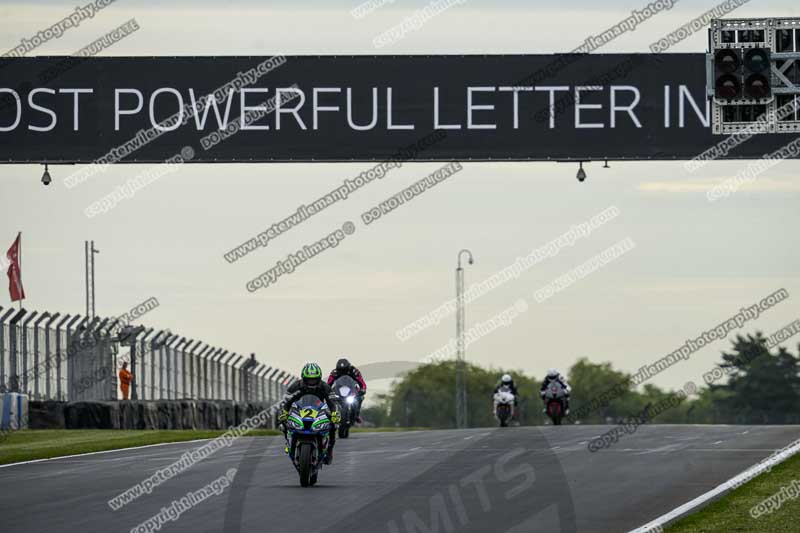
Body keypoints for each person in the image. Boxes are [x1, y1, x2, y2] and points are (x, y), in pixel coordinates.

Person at [279, 363, 341, 464]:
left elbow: (332, 402)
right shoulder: (296, 386)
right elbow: (286, 401)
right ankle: (288, 442)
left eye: (314, 379)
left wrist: (335, 414)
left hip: (319, 410)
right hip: (299, 409)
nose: (312, 382)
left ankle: (329, 450)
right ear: (303, 378)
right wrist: (284, 412)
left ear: (319, 378)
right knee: (282, 422)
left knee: (333, 425)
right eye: (309, 379)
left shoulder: (325, 386)